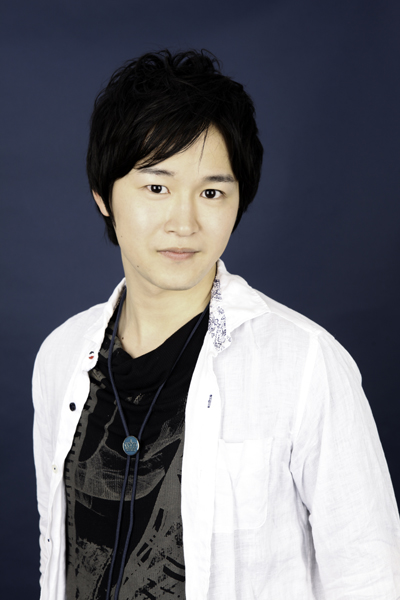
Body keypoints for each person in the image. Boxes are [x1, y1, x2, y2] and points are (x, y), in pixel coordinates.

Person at [32, 49, 400, 600]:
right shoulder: (60, 356)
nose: (184, 222)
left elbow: (371, 577)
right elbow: (57, 554)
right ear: (103, 196)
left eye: (211, 192)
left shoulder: (305, 364)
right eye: (156, 187)